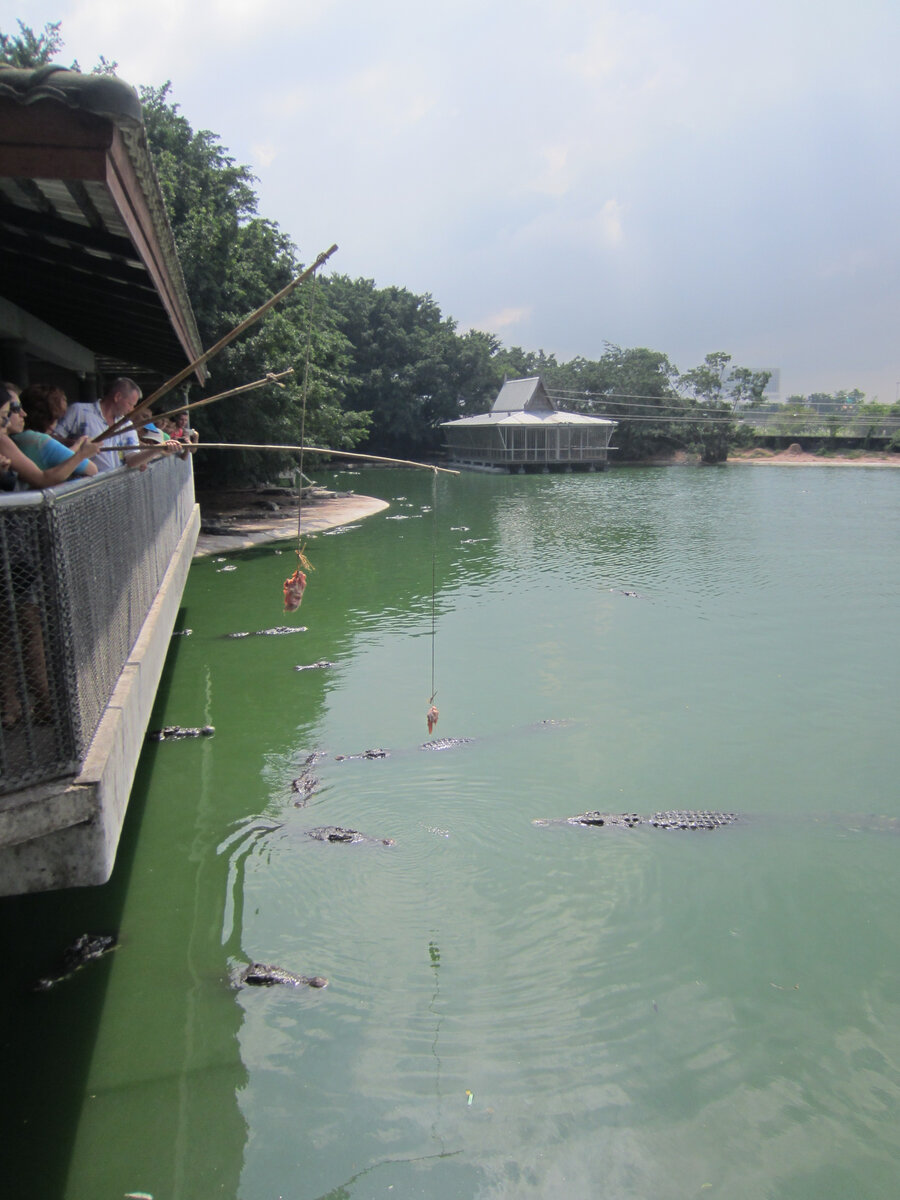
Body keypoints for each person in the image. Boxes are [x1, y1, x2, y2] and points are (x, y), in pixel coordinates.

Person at [55, 377, 180, 472]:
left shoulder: (127, 426)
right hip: (79, 487)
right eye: (130, 404)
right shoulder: (79, 411)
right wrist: (77, 444)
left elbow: (132, 460)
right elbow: (52, 439)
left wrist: (157, 448)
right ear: (118, 397)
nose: (131, 410)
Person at [0, 388, 98, 487]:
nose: (24, 414)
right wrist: (81, 454)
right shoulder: (9, 439)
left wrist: (77, 448)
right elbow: (92, 470)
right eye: (15, 409)